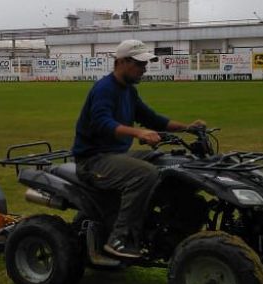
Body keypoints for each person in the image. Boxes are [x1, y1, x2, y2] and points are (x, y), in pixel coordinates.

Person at [71, 39, 205, 258]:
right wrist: (138, 133)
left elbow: (151, 118)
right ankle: (120, 239)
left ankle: (164, 224)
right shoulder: (105, 89)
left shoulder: (128, 91)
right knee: (144, 174)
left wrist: (187, 128)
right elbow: (101, 122)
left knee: (166, 160)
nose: (144, 69)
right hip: (93, 160)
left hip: (116, 155)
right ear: (122, 62)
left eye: (145, 64)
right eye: (140, 64)